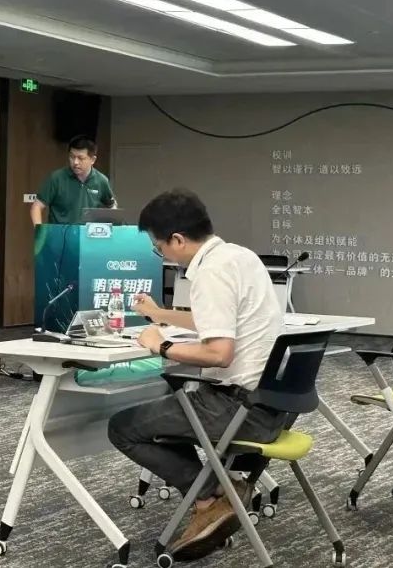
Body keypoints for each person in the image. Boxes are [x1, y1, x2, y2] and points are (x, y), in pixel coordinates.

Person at [107, 189, 284, 563]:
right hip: (270, 407)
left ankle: (213, 495)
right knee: (169, 409)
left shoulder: (210, 273)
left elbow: (219, 353)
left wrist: (162, 346)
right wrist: (161, 315)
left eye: (159, 248)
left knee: (123, 428)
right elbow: (216, 321)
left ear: (177, 239)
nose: (162, 255)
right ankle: (216, 492)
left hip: (236, 410)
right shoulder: (241, 257)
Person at [30, 136, 116, 225]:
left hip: (87, 232)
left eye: (80, 158)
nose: (75, 162)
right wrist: (39, 231)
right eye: (72, 157)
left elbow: (112, 206)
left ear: (92, 160)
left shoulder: (101, 181)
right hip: (59, 232)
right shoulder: (56, 178)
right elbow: (36, 207)